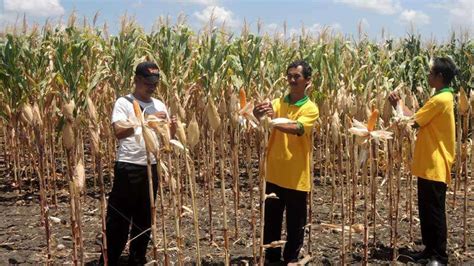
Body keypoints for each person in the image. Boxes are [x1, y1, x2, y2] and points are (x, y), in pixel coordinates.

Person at [100, 61, 176, 265]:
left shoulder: (160, 104)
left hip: (151, 166)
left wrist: (174, 128)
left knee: (145, 217)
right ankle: (109, 259)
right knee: (119, 218)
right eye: (147, 82)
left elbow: (167, 137)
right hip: (129, 165)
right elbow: (118, 132)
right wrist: (145, 119)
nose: (151, 86)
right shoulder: (124, 103)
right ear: (136, 80)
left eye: (155, 83)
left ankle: (137, 257)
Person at [389, 57, 459, 265]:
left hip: (435, 163)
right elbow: (418, 117)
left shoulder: (441, 100)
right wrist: (400, 106)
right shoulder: (440, 97)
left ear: (439, 76)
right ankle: (429, 251)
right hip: (429, 163)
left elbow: (412, 122)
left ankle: (439, 256)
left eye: (431, 73)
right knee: (427, 210)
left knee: (435, 212)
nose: (428, 76)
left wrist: (398, 105)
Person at [253, 60, 319, 264]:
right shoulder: (277, 103)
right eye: (289, 76)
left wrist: (274, 120)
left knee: (295, 224)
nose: (292, 80)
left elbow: (298, 128)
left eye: (296, 76)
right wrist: (257, 112)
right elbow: (258, 117)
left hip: (296, 176)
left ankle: (290, 259)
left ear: (307, 81)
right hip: (273, 172)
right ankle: (271, 259)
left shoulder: (310, 108)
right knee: (271, 222)